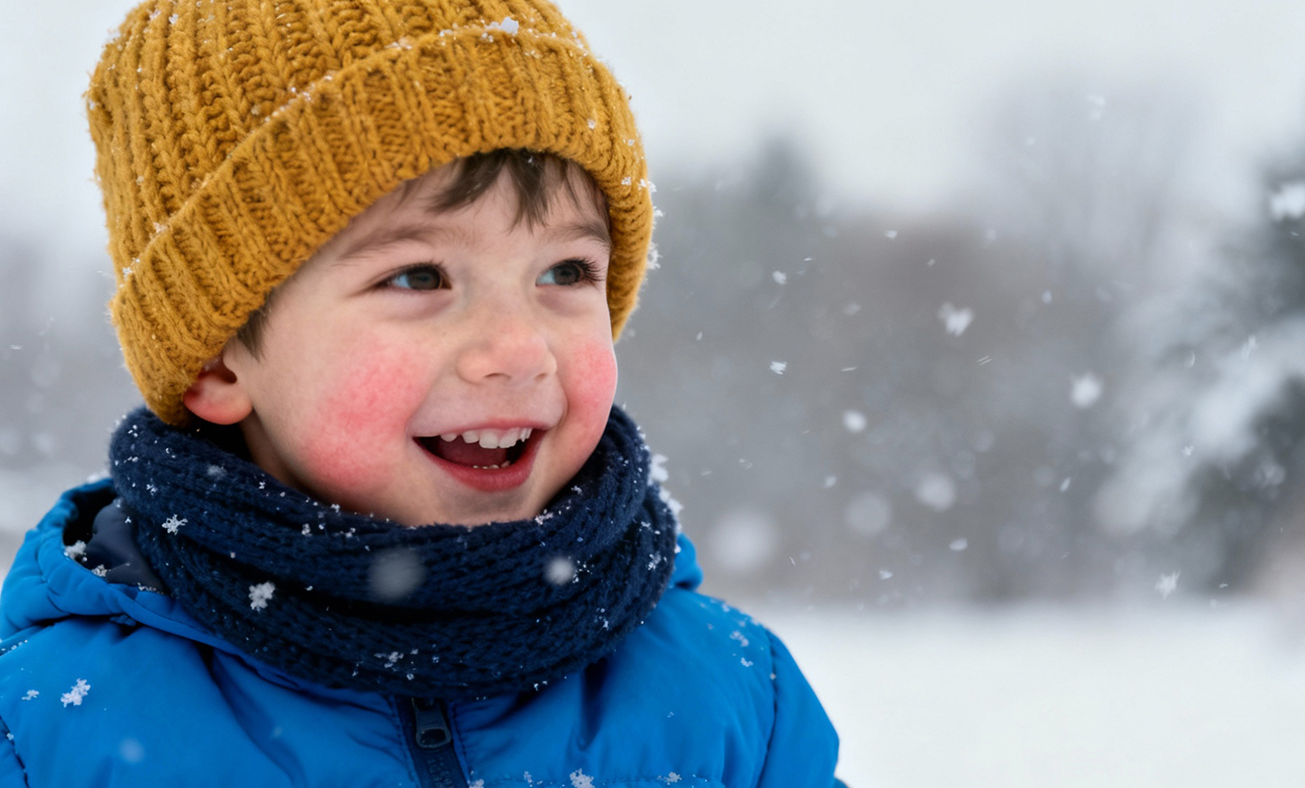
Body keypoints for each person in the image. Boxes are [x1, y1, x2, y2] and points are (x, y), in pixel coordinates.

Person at [0, 1, 840, 785]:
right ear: (218, 363)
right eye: (418, 276)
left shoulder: (730, 701)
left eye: (565, 272)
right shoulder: (52, 730)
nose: (519, 351)